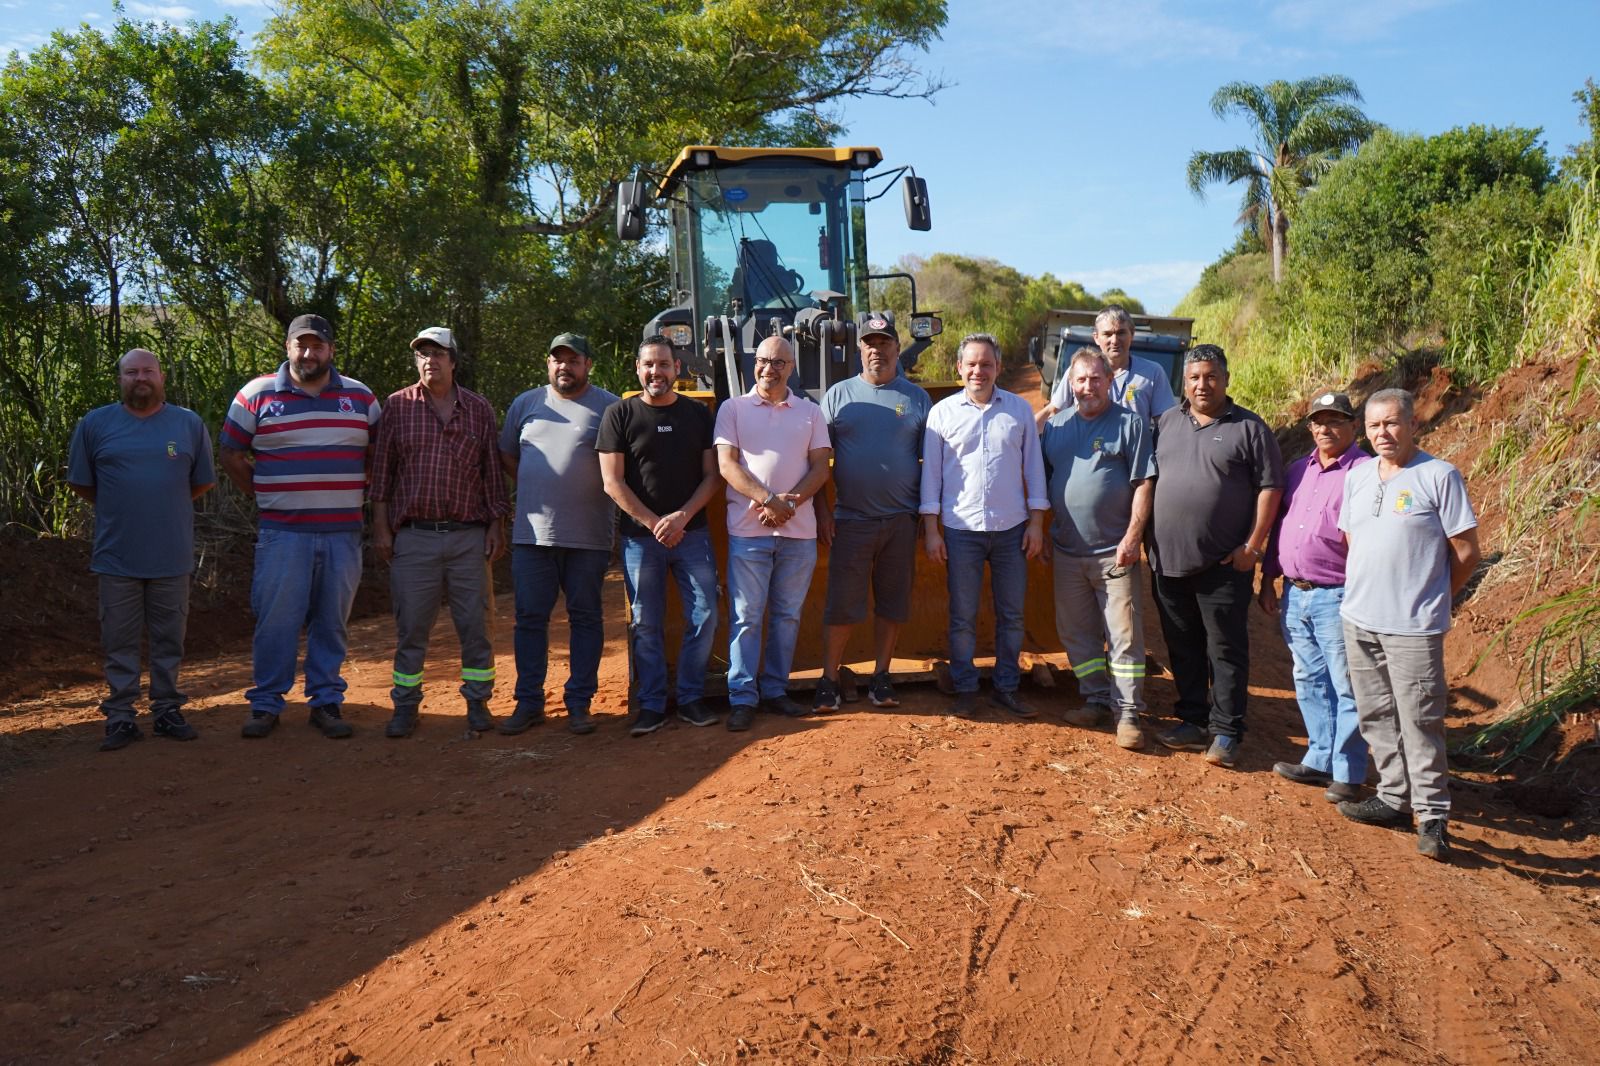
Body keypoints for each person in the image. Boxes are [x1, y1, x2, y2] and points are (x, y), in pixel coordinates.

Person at [1336, 388, 1480, 862]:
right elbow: (1355, 538)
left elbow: (1466, 553)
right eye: (1375, 425)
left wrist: (1437, 597)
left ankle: (1433, 816)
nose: (1384, 433)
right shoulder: (1357, 476)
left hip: (1413, 626)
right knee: (1375, 713)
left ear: (1414, 424)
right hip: (1359, 618)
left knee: (1420, 720)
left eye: (1393, 423)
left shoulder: (1439, 476)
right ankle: (1394, 799)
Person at [221, 315, 381, 739]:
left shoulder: (361, 398)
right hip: (283, 533)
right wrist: (264, 495)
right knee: (277, 620)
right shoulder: (256, 395)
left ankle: (326, 702)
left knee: (332, 622)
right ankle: (266, 704)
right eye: (301, 346)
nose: (309, 354)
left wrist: (354, 489)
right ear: (288, 347)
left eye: (318, 346)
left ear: (331, 350)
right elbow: (231, 454)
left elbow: (380, 455)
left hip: (343, 533)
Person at [67, 349, 216, 751]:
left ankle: (167, 710)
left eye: (148, 370)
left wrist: (161, 503)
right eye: (131, 372)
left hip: (171, 554)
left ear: (162, 376)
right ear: (120, 379)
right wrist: (124, 504)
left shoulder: (187, 424)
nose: (140, 377)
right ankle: (120, 718)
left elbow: (200, 482)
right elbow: (83, 483)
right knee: (119, 640)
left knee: (170, 640)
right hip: (118, 556)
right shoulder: (95, 424)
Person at [369, 326, 510, 738]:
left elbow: (491, 474)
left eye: (438, 353)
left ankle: (478, 703)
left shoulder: (479, 409)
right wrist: (381, 528)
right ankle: (406, 706)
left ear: (453, 360)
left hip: (468, 535)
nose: (430, 360)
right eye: (422, 354)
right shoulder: (397, 406)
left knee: (476, 625)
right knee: (411, 626)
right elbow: (382, 473)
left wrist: (496, 524)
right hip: (414, 536)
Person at [1148, 344, 1283, 767]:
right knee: (1181, 644)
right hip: (1166, 561)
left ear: (1226, 379)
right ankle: (1191, 719)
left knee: (1224, 648)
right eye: (1194, 378)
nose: (1202, 384)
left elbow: (1270, 488)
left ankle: (1226, 731)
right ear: (1183, 383)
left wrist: (1253, 547)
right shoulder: (1166, 422)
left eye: (1210, 376)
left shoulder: (1249, 428)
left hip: (1224, 563)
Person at [597, 336, 723, 736]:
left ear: (677, 370)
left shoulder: (698, 415)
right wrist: (655, 523)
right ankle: (651, 704)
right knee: (645, 623)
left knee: (705, 614)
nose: (657, 372)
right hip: (640, 540)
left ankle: (689, 698)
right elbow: (612, 483)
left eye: (664, 365)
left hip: (693, 536)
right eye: (649, 365)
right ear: (638, 369)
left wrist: (682, 517)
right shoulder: (618, 415)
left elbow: (713, 476)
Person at [920, 333, 1050, 719]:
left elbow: (1034, 470)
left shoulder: (1018, 410)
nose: (979, 371)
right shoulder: (941, 414)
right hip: (960, 530)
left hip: (1012, 528)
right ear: (959, 369)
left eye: (986, 364)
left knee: (1012, 614)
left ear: (998, 368)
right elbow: (932, 480)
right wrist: (931, 530)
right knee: (962, 615)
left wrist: (1037, 524)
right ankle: (965, 689)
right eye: (971, 364)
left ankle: (1006, 687)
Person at [498, 333, 620, 736]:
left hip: (588, 537)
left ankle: (579, 703)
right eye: (557, 360)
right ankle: (529, 702)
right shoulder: (525, 404)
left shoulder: (610, 407)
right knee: (530, 619)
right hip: (532, 537)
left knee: (585, 618)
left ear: (588, 365)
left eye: (573, 360)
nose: (564, 366)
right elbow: (509, 455)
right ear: (547, 363)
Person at [813, 311, 932, 712]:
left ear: (898, 348)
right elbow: (816, 462)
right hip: (850, 521)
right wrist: (823, 512)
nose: (876, 349)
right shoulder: (837, 396)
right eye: (869, 343)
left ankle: (881, 676)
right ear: (858, 349)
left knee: (892, 603)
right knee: (843, 604)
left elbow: (930, 465)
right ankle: (829, 678)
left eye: (884, 342)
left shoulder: (917, 399)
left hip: (900, 521)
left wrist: (926, 517)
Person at [714, 336, 832, 731]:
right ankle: (743, 697)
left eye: (779, 362)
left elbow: (820, 468)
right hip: (749, 533)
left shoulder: (810, 413)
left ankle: (776, 691)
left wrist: (789, 504)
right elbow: (727, 466)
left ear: (792, 367)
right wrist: (768, 500)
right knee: (747, 616)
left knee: (786, 616)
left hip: (798, 534)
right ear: (753, 364)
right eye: (763, 360)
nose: (769, 368)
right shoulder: (732, 409)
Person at [1258, 391, 1371, 801]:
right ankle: (1320, 758)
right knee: (1308, 679)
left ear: (1353, 426)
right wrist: (1269, 576)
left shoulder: (1366, 472)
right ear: (1310, 427)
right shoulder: (1296, 470)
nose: (1326, 428)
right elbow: (1279, 526)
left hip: (1339, 595)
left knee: (1346, 684)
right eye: (1319, 422)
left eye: (1336, 420)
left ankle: (1348, 771)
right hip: (1296, 593)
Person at [1041, 347, 1155, 749]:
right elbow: (1043, 483)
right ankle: (1094, 698)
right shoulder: (1055, 428)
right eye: (1080, 380)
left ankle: (1127, 713)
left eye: (1095, 379)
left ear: (1110, 381)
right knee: (1077, 633)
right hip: (1068, 552)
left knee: (1123, 635)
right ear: (1069, 385)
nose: (1088, 387)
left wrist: (1133, 536)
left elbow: (1144, 482)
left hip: (1114, 552)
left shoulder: (1130, 424)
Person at [1035, 305, 1177, 430]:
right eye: (1107, 334)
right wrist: (1021, 435)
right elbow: (1053, 411)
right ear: (1096, 337)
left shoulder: (1153, 372)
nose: (1114, 340)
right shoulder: (1077, 372)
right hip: (1088, 457)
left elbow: (1165, 423)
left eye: (1121, 333)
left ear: (1132, 334)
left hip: (1135, 457)